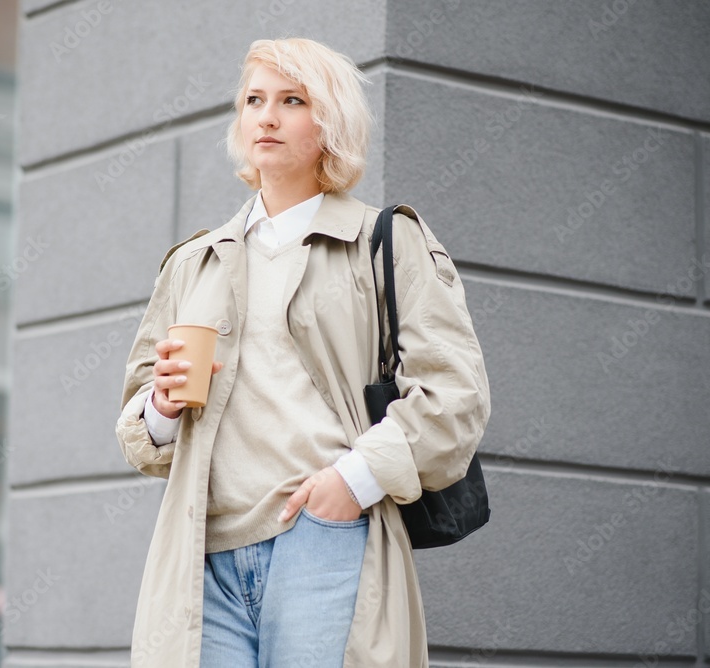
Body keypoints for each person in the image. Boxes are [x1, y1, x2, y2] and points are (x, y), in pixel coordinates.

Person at [114, 37, 490, 667]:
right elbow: (139, 432)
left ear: (330, 124)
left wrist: (350, 482)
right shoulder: (193, 263)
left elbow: (456, 398)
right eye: (254, 100)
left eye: (292, 100)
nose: (266, 116)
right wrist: (162, 405)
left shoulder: (385, 240)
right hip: (201, 556)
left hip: (322, 536)